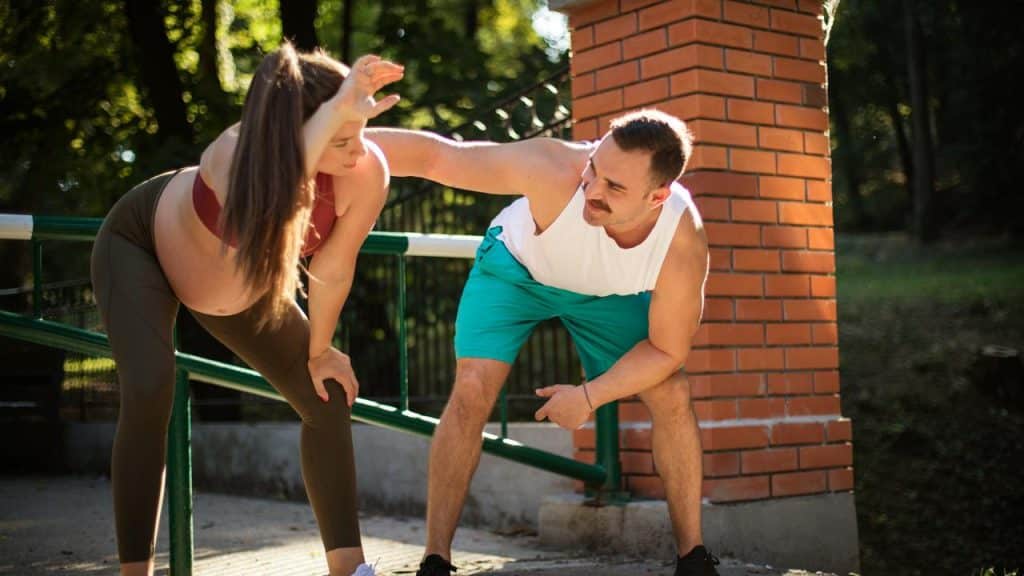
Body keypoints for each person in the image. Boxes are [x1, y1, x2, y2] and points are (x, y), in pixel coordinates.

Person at [90, 42, 403, 576]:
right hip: (141, 246)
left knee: (327, 395)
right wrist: (331, 114)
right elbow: (275, 185)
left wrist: (322, 350)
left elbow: (332, 268)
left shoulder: (364, 170)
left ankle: (350, 570)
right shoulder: (231, 154)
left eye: (362, 132)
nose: (358, 151)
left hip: (237, 291)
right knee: (149, 387)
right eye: (342, 137)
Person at [368, 108, 718, 576]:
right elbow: (437, 157)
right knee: (472, 389)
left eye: (615, 188)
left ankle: (692, 557)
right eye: (596, 168)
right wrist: (323, 140)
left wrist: (590, 396)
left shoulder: (682, 237)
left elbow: (668, 350)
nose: (592, 189)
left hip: (603, 295)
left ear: (658, 196)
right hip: (515, 269)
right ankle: (435, 558)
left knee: (672, 390)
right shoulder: (554, 168)